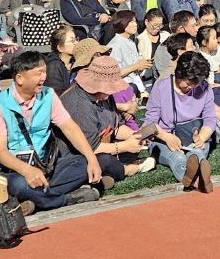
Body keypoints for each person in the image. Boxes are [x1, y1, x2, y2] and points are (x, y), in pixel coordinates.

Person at [0, 50, 101, 211]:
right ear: (20, 78)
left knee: (84, 163)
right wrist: (27, 170)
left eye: (44, 71)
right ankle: (64, 199)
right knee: (19, 185)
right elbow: (0, 152)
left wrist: (91, 158)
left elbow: (70, 127)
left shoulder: (48, 95)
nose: (43, 78)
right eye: (38, 73)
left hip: (45, 166)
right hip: (13, 171)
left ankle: (35, 199)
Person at [59, 56, 156, 190]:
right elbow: (92, 148)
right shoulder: (79, 105)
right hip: (76, 155)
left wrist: (136, 136)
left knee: (132, 148)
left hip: (104, 144)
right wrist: (124, 146)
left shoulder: (105, 96)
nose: (113, 91)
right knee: (105, 159)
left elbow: (116, 126)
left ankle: (109, 174)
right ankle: (129, 169)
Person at [143, 52, 218, 192]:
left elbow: (210, 119)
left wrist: (202, 137)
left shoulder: (205, 88)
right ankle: (195, 178)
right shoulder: (161, 88)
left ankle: (195, 170)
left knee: (198, 150)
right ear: (179, 74)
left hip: (193, 136)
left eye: (196, 84)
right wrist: (167, 137)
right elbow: (149, 123)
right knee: (177, 158)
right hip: (164, 139)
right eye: (189, 83)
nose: (192, 88)